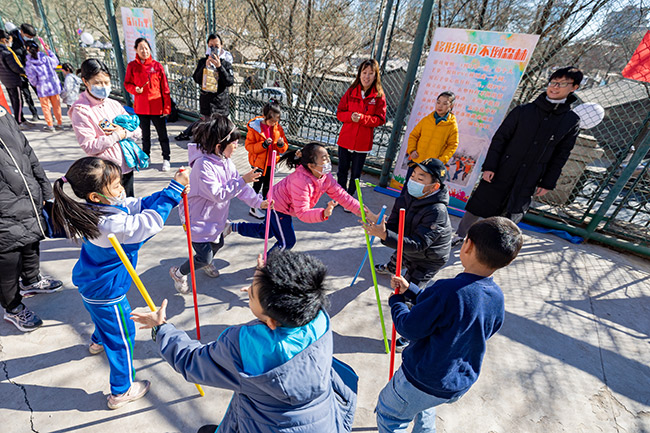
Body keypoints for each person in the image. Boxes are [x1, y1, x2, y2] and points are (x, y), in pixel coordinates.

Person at [132, 249, 358, 433]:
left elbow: (192, 362)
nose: (248, 289)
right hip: (324, 421)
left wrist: (161, 329)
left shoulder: (245, 347)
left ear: (270, 322)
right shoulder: (316, 316)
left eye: (251, 294)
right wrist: (266, 283)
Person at [51, 156, 189, 409]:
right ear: (95, 196)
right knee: (123, 337)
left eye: (119, 183)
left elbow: (135, 204)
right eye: (115, 187)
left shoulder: (95, 208)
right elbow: (147, 223)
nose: (121, 190)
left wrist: (170, 190)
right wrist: (172, 194)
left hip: (92, 285)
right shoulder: (111, 223)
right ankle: (121, 390)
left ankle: (97, 340)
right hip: (108, 292)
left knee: (102, 320)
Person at [375, 216, 523, 433]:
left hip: (420, 379)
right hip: (455, 381)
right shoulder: (496, 296)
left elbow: (409, 328)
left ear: (468, 245)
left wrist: (397, 302)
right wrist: (413, 292)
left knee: (390, 415)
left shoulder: (447, 290)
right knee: (424, 406)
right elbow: (455, 313)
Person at [452, 66, 583, 245]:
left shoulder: (571, 121)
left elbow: (561, 154)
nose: (555, 87)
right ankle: (460, 235)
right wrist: (490, 166)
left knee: (512, 210)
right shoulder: (524, 111)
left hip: (531, 174)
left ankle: (494, 245)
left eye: (562, 84)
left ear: (574, 87)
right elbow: (500, 139)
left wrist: (547, 182)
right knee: (481, 202)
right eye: (552, 82)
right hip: (503, 168)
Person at [169, 115, 269, 293]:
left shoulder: (226, 162)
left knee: (218, 243)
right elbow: (218, 194)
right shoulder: (202, 166)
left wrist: (258, 203)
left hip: (215, 218)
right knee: (205, 257)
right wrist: (243, 180)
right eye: (234, 143)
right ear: (219, 146)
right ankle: (179, 272)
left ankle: (206, 258)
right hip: (197, 220)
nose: (237, 146)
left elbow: (239, 188)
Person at [231, 143, 377, 251]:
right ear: (312, 165)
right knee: (287, 241)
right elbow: (302, 213)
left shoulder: (325, 177)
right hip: (277, 205)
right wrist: (323, 214)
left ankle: (232, 227)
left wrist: (365, 212)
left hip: (285, 205)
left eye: (327, 157)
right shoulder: (301, 181)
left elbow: (343, 196)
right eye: (324, 158)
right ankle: (266, 269)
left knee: (266, 232)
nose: (328, 161)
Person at [0, 106, 63, 332]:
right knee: (8, 263)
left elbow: (29, 154)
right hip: (4, 210)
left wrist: (45, 191)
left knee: (31, 243)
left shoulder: (3, 115)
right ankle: (13, 307)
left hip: (28, 197)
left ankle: (31, 280)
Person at [365, 158, 452, 288]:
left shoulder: (437, 211)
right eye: (412, 175)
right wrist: (381, 224)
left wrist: (384, 235)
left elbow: (418, 244)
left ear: (434, 187)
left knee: (406, 292)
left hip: (428, 259)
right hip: (408, 243)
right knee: (399, 256)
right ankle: (391, 267)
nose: (413, 181)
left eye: (420, 179)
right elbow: (394, 227)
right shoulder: (405, 196)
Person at [70, 59, 142, 197]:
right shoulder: (81, 110)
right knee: (114, 210)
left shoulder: (113, 104)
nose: (103, 86)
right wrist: (115, 136)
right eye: (97, 83)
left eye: (106, 82)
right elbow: (89, 145)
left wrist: (125, 132)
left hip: (126, 167)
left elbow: (137, 131)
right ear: (86, 82)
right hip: (106, 173)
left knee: (129, 204)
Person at [336, 58, 386, 200]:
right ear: (359, 74)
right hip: (346, 139)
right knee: (342, 171)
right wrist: (350, 116)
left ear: (376, 76)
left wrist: (364, 119)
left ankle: (351, 197)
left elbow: (380, 119)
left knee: (356, 173)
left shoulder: (379, 96)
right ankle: (340, 195)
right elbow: (339, 113)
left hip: (362, 142)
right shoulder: (351, 91)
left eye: (371, 73)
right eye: (364, 72)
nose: (367, 76)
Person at [175, 34, 234, 141]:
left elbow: (229, 81)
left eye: (216, 46)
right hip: (207, 104)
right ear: (207, 46)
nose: (214, 49)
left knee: (220, 135)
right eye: (211, 46)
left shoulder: (225, 63)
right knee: (207, 136)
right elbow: (196, 79)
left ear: (221, 46)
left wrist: (219, 67)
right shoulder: (203, 61)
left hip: (220, 105)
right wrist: (204, 67)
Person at [124, 38, 172, 171]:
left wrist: (166, 107)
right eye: (141, 48)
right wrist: (135, 89)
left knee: (162, 135)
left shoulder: (157, 66)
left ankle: (166, 158)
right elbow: (127, 84)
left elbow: (165, 89)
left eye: (146, 48)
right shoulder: (132, 66)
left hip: (158, 107)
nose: (144, 51)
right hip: (141, 107)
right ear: (136, 50)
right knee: (145, 136)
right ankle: (146, 157)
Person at [402, 91, 458, 191]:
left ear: (451, 106)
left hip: (432, 167)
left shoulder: (452, 125)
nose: (440, 106)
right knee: (408, 187)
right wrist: (412, 150)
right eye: (438, 102)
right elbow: (414, 135)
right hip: (417, 162)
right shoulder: (427, 120)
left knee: (423, 191)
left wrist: (441, 160)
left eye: (445, 104)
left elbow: (452, 145)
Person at [244, 99, 288, 218]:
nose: (274, 123)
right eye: (272, 121)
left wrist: (280, 144)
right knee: (257, 185)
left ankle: (264, 204)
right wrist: (263, 145)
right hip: (258, 163)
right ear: (265, 116)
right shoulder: (255, 128)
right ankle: (253, 207)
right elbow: (249, 146)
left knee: (268, 185)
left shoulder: (278, 129)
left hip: (271, 162)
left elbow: (284, 148)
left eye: (276, 121)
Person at [24, 40, 63, 132]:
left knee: (46, 107)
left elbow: (31, 78)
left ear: (28, 50)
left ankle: (50, 126)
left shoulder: (29, 64)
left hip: (42, 89)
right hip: (53, 86)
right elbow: (56, 62)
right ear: (38, 49)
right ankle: (59, 124)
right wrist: (49, 51)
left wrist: (36, 84)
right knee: (56, 106)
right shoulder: (46, 58)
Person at [9, 23, 39, 122]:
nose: (29, 38)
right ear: (22, 32)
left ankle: (44, 112)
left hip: (32, 70)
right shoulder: (12, 39)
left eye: (31, 37)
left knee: (38, 91)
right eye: (28, 36)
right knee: (26, 93)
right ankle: (34, 112)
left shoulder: (31, 41)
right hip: (21, 71)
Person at [0, 30, 27, 126]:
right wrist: (24, 72)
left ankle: (20, 118)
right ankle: (19, 121)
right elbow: (14, 67)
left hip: (5, 80)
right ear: (3, 39)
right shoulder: (6, 52)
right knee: (18, 101)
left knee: (13, 100)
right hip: (13, 80)